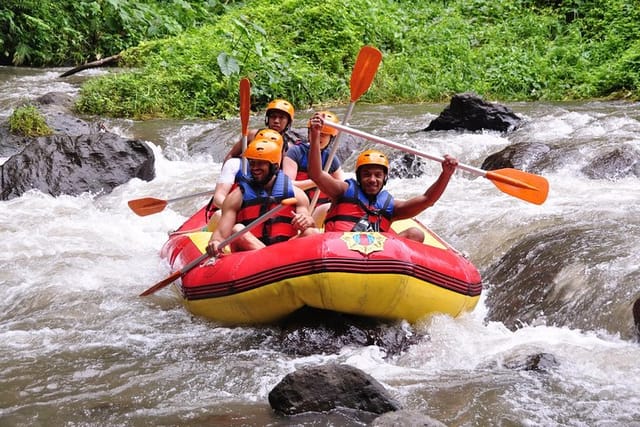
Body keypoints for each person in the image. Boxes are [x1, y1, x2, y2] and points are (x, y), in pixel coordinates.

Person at [306, 112, 458, 242]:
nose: (372, 179)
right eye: (366, 175)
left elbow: (427, 200)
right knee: (309, 234)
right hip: (337, 252)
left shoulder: (391, 207)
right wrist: (315, 135)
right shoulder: (342, 191)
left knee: (415, 234)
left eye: (378, 175)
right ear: (358, 177)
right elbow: (316, 174)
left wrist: (446, 174)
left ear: (385, 178)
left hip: (378, 260)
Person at [206, 137, 317, 255]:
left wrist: (307, 221)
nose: (254, 168)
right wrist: (215, 242)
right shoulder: (236, 197)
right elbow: (220, 236)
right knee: (237, 230)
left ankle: (275, 261)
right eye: (252, 163)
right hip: (251, 257)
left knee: (311, 232)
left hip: (286, 253)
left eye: (260, 163)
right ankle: (272, 259)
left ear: (274, 166)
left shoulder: (297, 195)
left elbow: (308, 221)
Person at [283, 110, 345, 227]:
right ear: (309, 133)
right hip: (298, 208)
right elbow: (287, 185)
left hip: (320, 211)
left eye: (324, 135)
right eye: (317, 133)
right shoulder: (296, 152)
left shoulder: (331, 158)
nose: (319, 137)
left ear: (331, 138)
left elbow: (342, 187)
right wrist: (318, 181)